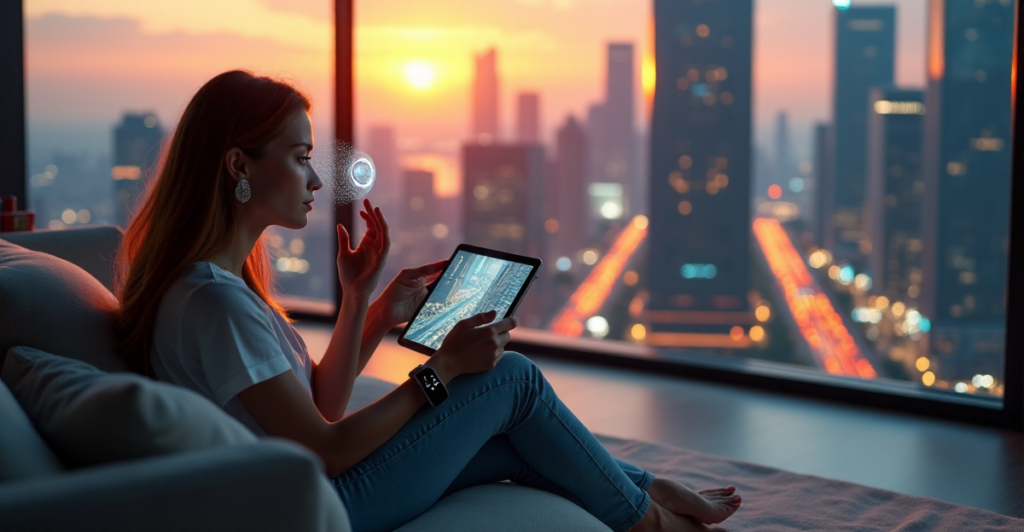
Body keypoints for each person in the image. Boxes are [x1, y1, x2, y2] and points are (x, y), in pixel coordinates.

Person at [112, 70, 741, 532]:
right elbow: (325, 449)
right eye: (301, 159)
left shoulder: (210, 289)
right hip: (321, 508)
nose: (315, 180)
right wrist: (442, 371)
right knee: (512, 381)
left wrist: (369, 303)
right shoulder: (215, 306)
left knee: (514, 444)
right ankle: (653, 522)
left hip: (313, 490)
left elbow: (318, 409)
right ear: (237, 166)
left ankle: (643, 489)